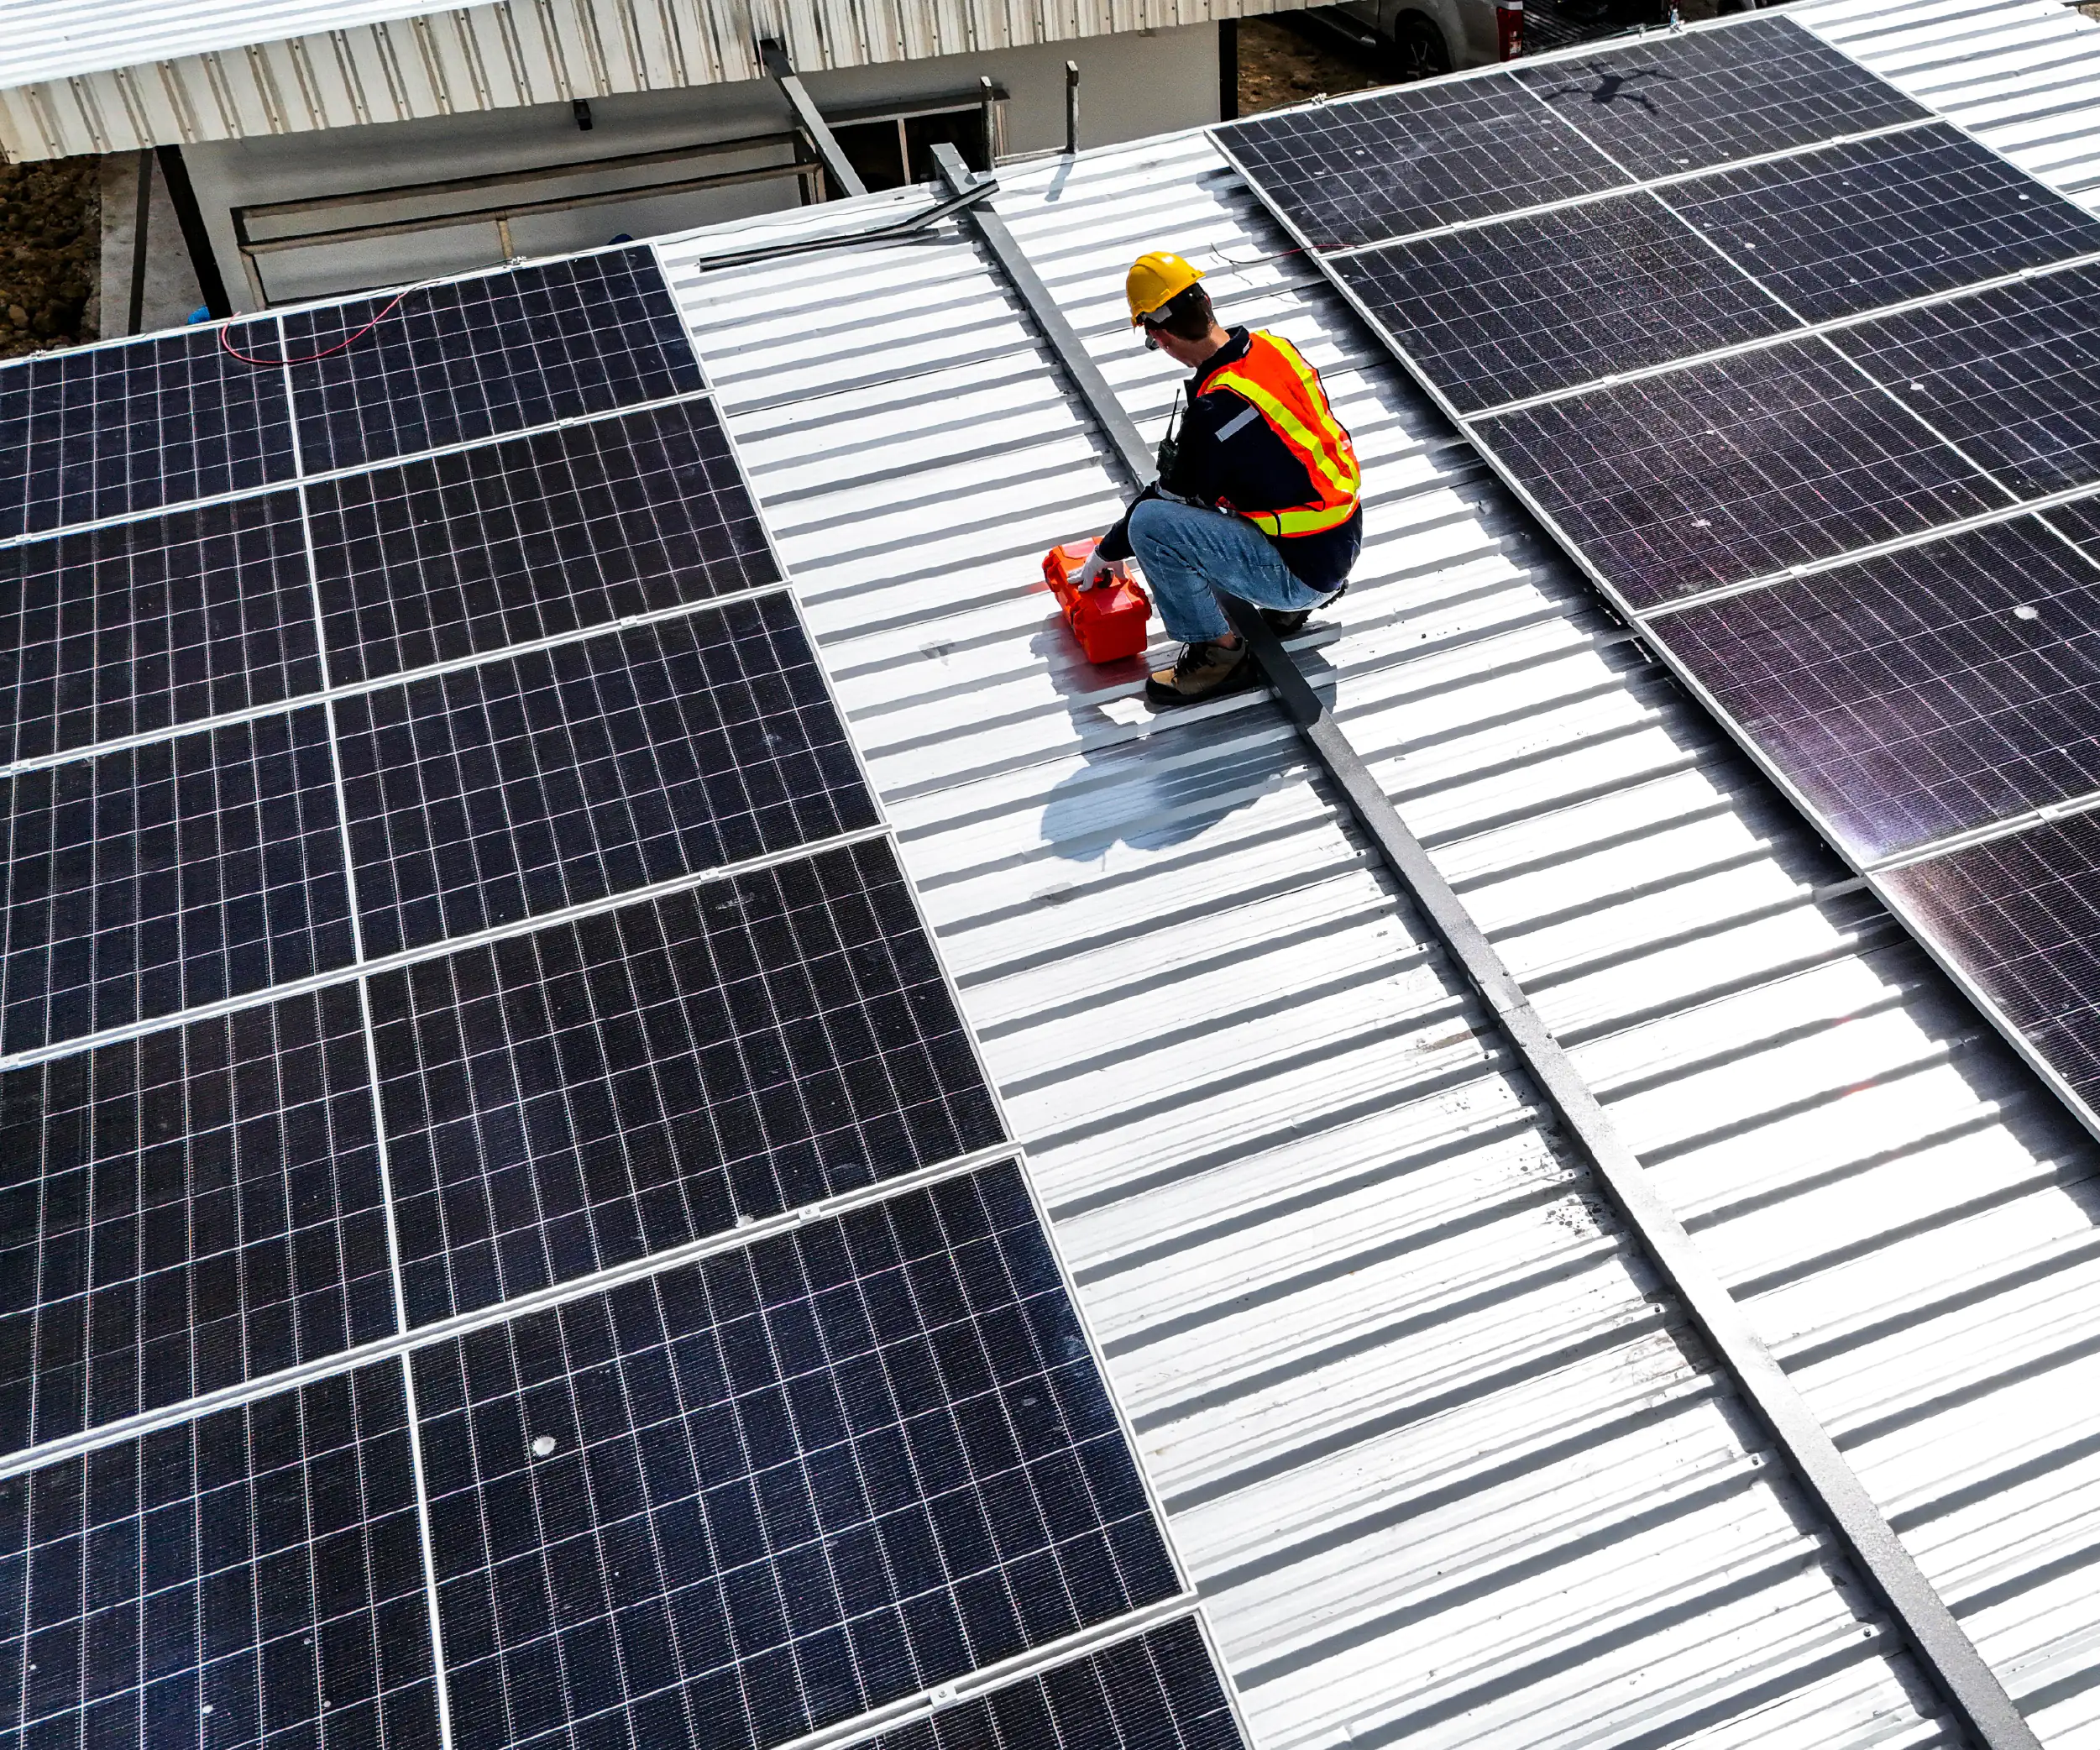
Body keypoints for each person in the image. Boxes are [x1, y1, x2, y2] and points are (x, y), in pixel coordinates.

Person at [1081, 249, 1364, 706]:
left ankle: (1219, 655)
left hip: (1301, 573)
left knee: (1151, 524)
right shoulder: (1275, 348)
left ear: (1163, 337)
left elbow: (1170, 499)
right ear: (1207, 301)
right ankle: (1287, 608)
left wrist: (1108, 551)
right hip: (1341, 540)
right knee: (1242, 490)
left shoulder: (1216, 412)